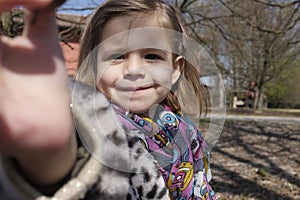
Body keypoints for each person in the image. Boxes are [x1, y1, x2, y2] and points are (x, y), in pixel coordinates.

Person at [0, 0, 217, 199]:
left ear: (175, 69)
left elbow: (202, 187)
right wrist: (47, 158)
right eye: (117, 56)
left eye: (152, 56)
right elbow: (79, 171)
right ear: (95, 66)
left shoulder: (185, 130)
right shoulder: (98, 126)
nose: (134, 70)